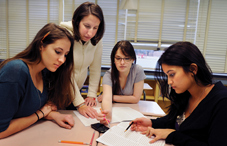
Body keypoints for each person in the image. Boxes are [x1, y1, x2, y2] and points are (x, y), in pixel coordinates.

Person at [130, 41, 227, 145]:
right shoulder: (186, 93)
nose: (169, 82)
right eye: (167, 75)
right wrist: (152, 122)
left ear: (193, 69)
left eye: (172, 74)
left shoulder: (222, 102)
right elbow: (176, 120)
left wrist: (172, 135)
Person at [0, 23, 76, 139]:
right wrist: (39, 114)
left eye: (65, 55)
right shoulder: (16, 71)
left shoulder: (44, 71)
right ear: (41, 45)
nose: (62, 60)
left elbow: (31, 108)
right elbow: (1, 131)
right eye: (58, 51)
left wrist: (54, 115)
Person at [60, 2, 105, 118]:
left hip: (76, 91)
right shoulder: (65, 36)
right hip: (58, 90)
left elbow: (95, 69)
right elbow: (66, 72)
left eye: (95, 28)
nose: (90, 33)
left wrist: (91, 94)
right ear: (77, 22)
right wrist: (80, 103)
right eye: (87, 26)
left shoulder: (96, 40)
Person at [96, 40, 146, 123]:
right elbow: (107, 100)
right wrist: (107, 115)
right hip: (116, 112)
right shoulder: (108, 75)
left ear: (132, 59)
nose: (122, 62)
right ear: (114, 60)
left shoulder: (138, 70)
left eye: (126, 58)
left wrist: (112, 97)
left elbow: (136, 98)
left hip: (131, 112)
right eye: (118, 58)